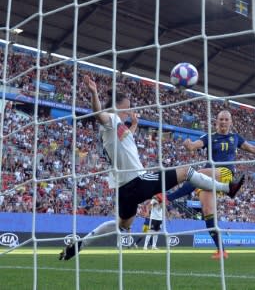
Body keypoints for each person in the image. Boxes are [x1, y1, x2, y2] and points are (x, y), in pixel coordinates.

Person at [59, 76, 245, 260]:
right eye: (128, 106)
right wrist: (93, 93)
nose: (131, 109)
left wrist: (134, 125)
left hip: (123, 189)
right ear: (119, 107)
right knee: (186, 171)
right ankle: (227, 188)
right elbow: (98, 114)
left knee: (121, 225)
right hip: (137, 181)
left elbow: (124, 138)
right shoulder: (111, 119)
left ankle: (80, 245)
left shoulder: (117, 128)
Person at [168, 109, 255, 259]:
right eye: (221, 119)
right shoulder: (210, 137)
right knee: (207, 211)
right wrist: (189, 145)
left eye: (226, 119)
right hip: (208, 176)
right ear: (216, 121)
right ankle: (221, 250)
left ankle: (169, 197)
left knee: (196, 173)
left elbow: (251, 148)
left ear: (231, 122)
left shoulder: (235, 137)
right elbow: (195, 145)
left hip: (225, 173)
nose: (224, 122)